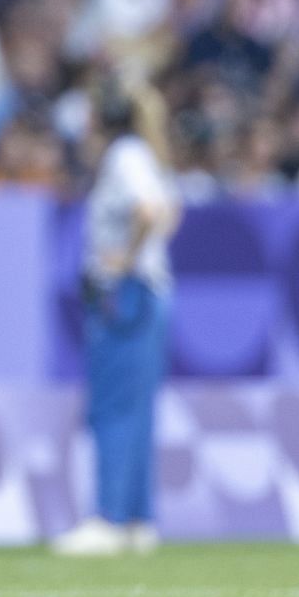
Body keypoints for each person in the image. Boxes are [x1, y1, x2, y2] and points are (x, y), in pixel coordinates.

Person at [54, 79, 182, 557]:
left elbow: (149, 212)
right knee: (139, 409)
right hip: (148, 291)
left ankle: (108, 517)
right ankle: (137, 519)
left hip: (125, 294)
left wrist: (125, 260)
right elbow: (170, 210)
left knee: (112, 408)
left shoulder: (124, 155)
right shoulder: (146, 155)